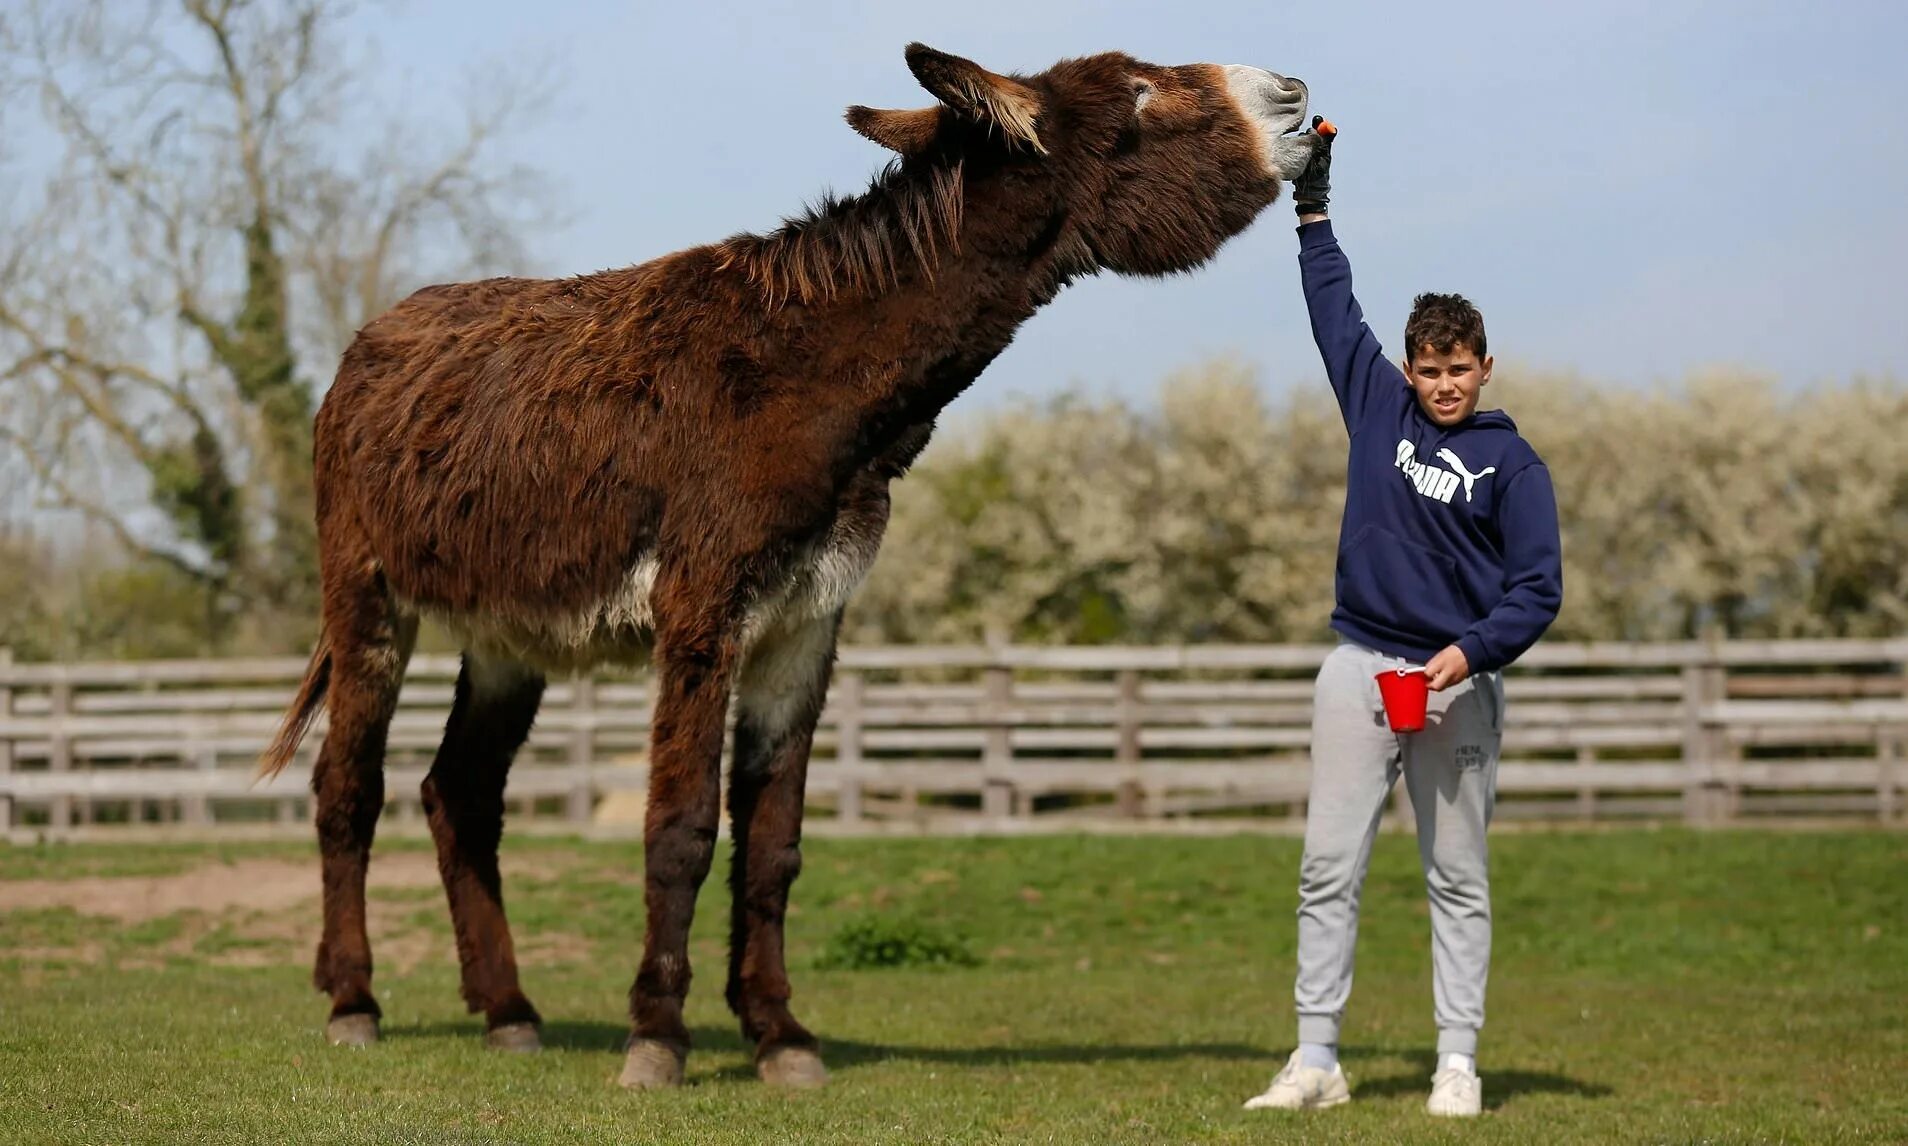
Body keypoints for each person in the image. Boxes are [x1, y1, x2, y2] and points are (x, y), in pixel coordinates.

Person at [1242, 119, 1564, 1119]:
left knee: (1455, 877)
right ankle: (1316, 1061)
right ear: (1413, 368)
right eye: (1429, 367)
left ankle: (1456, 1063)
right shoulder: (1379, 407)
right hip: (1359, 672)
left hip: (1455, 685)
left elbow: (1538, 590)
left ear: (1484, 365)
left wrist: (1468, 657)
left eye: (1458, 367)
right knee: (1325, 869)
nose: (1442, 382)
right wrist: (1312, 206)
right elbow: (1332, 307)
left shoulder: (1515, 468)